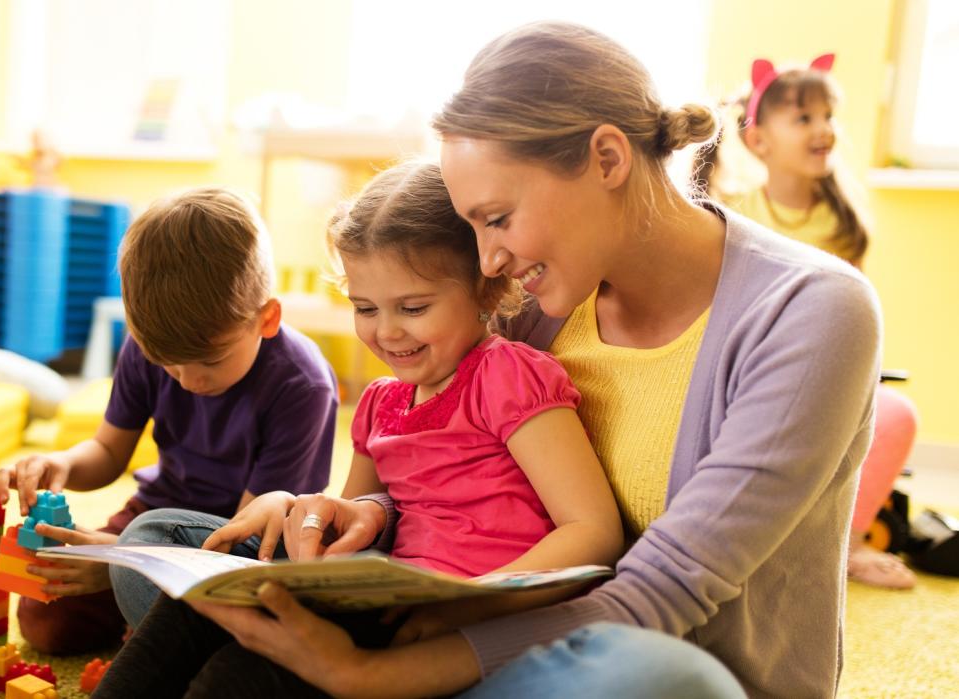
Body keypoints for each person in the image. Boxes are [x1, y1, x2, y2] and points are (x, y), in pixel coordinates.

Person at [175, 22, 880, 699]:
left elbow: (665, 590)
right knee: (187, 542)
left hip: (636, 660)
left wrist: (370, 675)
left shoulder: (812, 311)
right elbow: (453, 474)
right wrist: (358, 510)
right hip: (479, 624)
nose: (488, 261)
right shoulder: (536, 295)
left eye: (497, 217)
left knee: (662, 680)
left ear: (608, 158)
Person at [94, 160, 624, 698]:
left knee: (241, 676)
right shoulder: (380, 405)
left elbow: (593, 531)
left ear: (486, 291)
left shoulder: (507, 376)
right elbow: (350, 533)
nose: (387, 332)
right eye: (365, 308)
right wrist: (302, 514)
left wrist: (478, 599)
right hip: (387, 603)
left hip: (475, 622)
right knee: (203, 596)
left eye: (413, 307)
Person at [0, 187, 339, 654]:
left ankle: (153, 621)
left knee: (211, 636)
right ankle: (147, 616)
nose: (187, 380)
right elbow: (108, 452)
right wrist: (63, 465)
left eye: (208, 362)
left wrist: (124, 563)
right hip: (152, 519)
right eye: (168, 366)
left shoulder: (302, 385)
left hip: (242, 541)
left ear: (267, 319)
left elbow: (247, 536)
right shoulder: (146, 349)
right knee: (45, 619)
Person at [695, 54, 918, 589]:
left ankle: (853, 543)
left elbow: (857, 321)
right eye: (803, 119)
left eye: (828, 116)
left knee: (897, 415)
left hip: (829, 374)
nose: (823, 130)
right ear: (759, 141)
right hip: (753, 370)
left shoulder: (844, 222)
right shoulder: (735, 213)